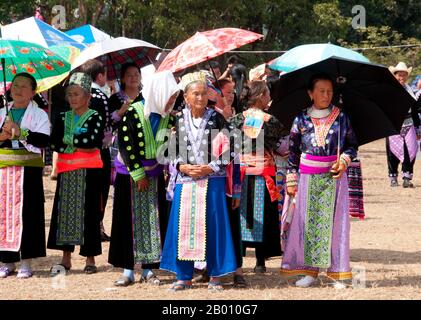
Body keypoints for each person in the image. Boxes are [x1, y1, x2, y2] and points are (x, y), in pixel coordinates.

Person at [160, 71, 238, 291]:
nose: (200, 98)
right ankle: (183, 276)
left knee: (213, 225)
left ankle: (215, 275)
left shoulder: (216, 118)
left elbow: (234, 147)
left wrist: (210, 167)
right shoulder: (176, 119)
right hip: (185, 181)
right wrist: (181, 166)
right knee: (182, 226)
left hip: (212, 180)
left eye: (204, 94)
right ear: (185, 97)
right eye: (195, 94)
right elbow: (166, 149)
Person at [280, 73, 358, 288]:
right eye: (321, 91)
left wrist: (343, 160)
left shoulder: (341, 117)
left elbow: (352, 145)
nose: (326, 95)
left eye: (330, 91)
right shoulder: (301, 119)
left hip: (334, 178)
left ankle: (337, 273)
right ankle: (310, 273)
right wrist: (291, 178)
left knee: (336, 225)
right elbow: (294, 152)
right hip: (307, 179)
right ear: (310, 93)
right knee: (308, 225)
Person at [108, 70, 179, 286]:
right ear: (159, 92)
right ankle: (128, 270)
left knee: (152, 221)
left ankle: (149, 269)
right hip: (129, 175)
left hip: (155, 175)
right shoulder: (134, 112)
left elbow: (164, 149)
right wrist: (138, 174)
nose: (173, 101)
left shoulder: (167, 117)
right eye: (171, 96)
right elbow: (125, 144)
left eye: (174, 97)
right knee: (127, 222)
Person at [47, 72, 105, 275]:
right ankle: (66, 258)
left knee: (89, 214)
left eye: (76, 94)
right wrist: (76, 141)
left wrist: (68, 139)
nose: (72, 98)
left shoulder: (96, 116)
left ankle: (90, 258)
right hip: (66, 171)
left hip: (90, 172)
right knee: (65, 213)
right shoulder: (62, 116)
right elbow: (53, 142)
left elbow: (93, 142)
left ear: (88, 96)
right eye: (69, 94)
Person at [229, 81, 287, 275]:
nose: (269, 96)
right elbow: (280, 144)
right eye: (268, 92)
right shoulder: (271, 120)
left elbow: (230, 144)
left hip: (241, 173)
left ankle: (238, 258)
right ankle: (260, 261)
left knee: (240, 214)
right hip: (263, 172)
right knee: (262, 214)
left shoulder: (236, 119)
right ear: (261, 95)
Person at [0, 73, 50, 278]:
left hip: (28, 171)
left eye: (23, 86)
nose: (18, 90)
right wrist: (2, 135)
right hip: (4, 170)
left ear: (33, 92)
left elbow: (43, 140)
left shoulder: (39, 115)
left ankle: (26, 261)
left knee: (28, 213)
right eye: (15, 85)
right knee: (3, 214)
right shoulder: (2, 112)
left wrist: (20, 132)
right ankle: (6, 260)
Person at [79, 59, 112, 241]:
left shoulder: (79, 94)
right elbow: (106, 125)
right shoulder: (99, 96)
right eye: (105, 75)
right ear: (99, 76)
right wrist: (119, 113)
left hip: (80, 150)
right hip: (99, 150)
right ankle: (96, 226)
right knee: (100, 190)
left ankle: (86, 226)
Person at [386, 62, 420, 188]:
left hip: (409, 124)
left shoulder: (410, 90)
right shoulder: (388, 91)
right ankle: (393, 177)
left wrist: (418, 127)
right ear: (394, 76)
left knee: (410, 151)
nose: (402, 78)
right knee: (392, 153)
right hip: (392, 125)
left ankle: (407, 177)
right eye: (399, 75)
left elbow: (415, 109)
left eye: (404, 75)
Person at [108, 63, 143, 184]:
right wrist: (120, 112)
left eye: (136, 74)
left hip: (143, 142)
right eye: (129, 75)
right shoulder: (114, 99)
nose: (133, 78)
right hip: (122, 144)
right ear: (122, 78)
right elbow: (109, 123)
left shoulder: (146, 97)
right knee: (123, 178)